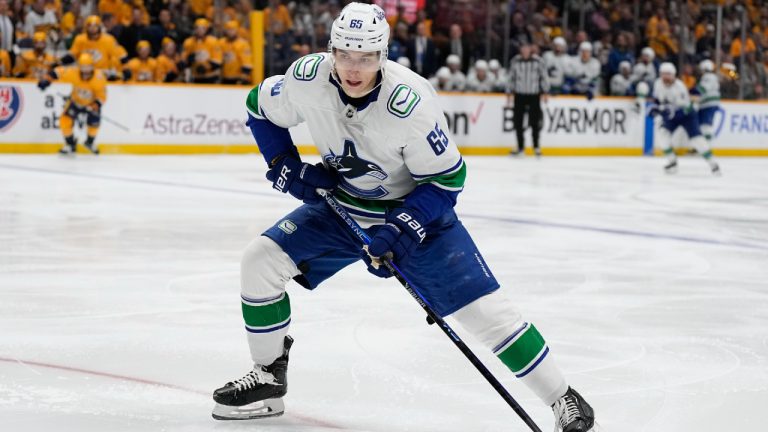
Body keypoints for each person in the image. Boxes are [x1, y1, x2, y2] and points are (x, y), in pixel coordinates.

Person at [211, 4, 598, 432]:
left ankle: (564, 398)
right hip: (343, 207)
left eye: (366, 57)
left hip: (415, 215)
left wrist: (403, 226)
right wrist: (284, 163)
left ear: (383, 55)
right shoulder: (307, 79)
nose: (354, 68)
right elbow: (258, 106)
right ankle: (268, 377)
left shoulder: (409, 104)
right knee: (260, 260)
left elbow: (449, 179)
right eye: (345, 55)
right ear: (331, 50)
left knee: (487, 314)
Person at [650, 62, 719, 175]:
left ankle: (713, 164)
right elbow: (657, 100)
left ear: (673, 75)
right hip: (672, 115)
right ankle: (672, 162)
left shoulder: (680, 87)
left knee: (696, 140)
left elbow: (685, 108)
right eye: (663, 74)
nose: (665, 77)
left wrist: (666, 111)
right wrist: (655, 107)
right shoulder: (658, 84)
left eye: (668, 74)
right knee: (662, 135)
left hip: (687, 115)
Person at [37, 53, 107, 155]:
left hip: (91, 104)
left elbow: (102, 96)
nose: (85, 71)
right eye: (83, 68)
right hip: (76, 101)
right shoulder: (74, 73)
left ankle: (89, 142)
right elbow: (58, 71)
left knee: (94, 124)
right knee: (65, 120)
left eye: (88, 67)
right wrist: (47, 80)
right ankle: (70, 144)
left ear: (92, 67)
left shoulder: (99, 78)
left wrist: (95, 105)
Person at [507, 41, 549, 157]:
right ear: (520, 49)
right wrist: (509, 93)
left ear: (531, 49)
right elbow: (511, 77)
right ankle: (520, 147)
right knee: (518, 122)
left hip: (534, 95)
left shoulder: (538, 61)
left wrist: (545, 92)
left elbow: (544, 77)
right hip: (519, 95)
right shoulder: (515, 61)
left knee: (535, 122)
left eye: (527, 48)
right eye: (523, 48)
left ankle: (536, 147)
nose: (525, 50)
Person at [68, 15, 126, 81]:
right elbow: (72, 56)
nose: (92, 28)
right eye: (90, 26)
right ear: (86, 27)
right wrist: (59, 62)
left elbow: (121, 56)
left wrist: (125, 69)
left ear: (99, 27)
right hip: (84, 73)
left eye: (95, 26)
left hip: (103, 73)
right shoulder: (80, 39)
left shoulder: (109, 39)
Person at [182, 18, 222, 83]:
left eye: (202, 28)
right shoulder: (189, 42)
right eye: (197, 28)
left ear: (206, 29)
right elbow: (184, 61)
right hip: (195, 76)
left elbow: (217, 61)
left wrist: (206, 67)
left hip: (211, 76)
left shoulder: (213, 41)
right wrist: (188, 61)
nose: (199, 30)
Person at [692, 59, 720, 145]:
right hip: (708, 104)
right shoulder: (712, 76)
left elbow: (702, 89)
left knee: (705, 125)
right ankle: (704, 145)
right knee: (703, 125)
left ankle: (707, 146)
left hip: (708, 104)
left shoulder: (708, 76)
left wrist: (691, 92)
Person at [219, 20, 252, 85]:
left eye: (232, 29)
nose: (230, 32)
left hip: (238, 78)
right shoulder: (221, 42)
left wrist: (243, 78)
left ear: (237, 30)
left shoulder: (243, 44)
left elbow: (247, 64)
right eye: (228, 29)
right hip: (225, 77)